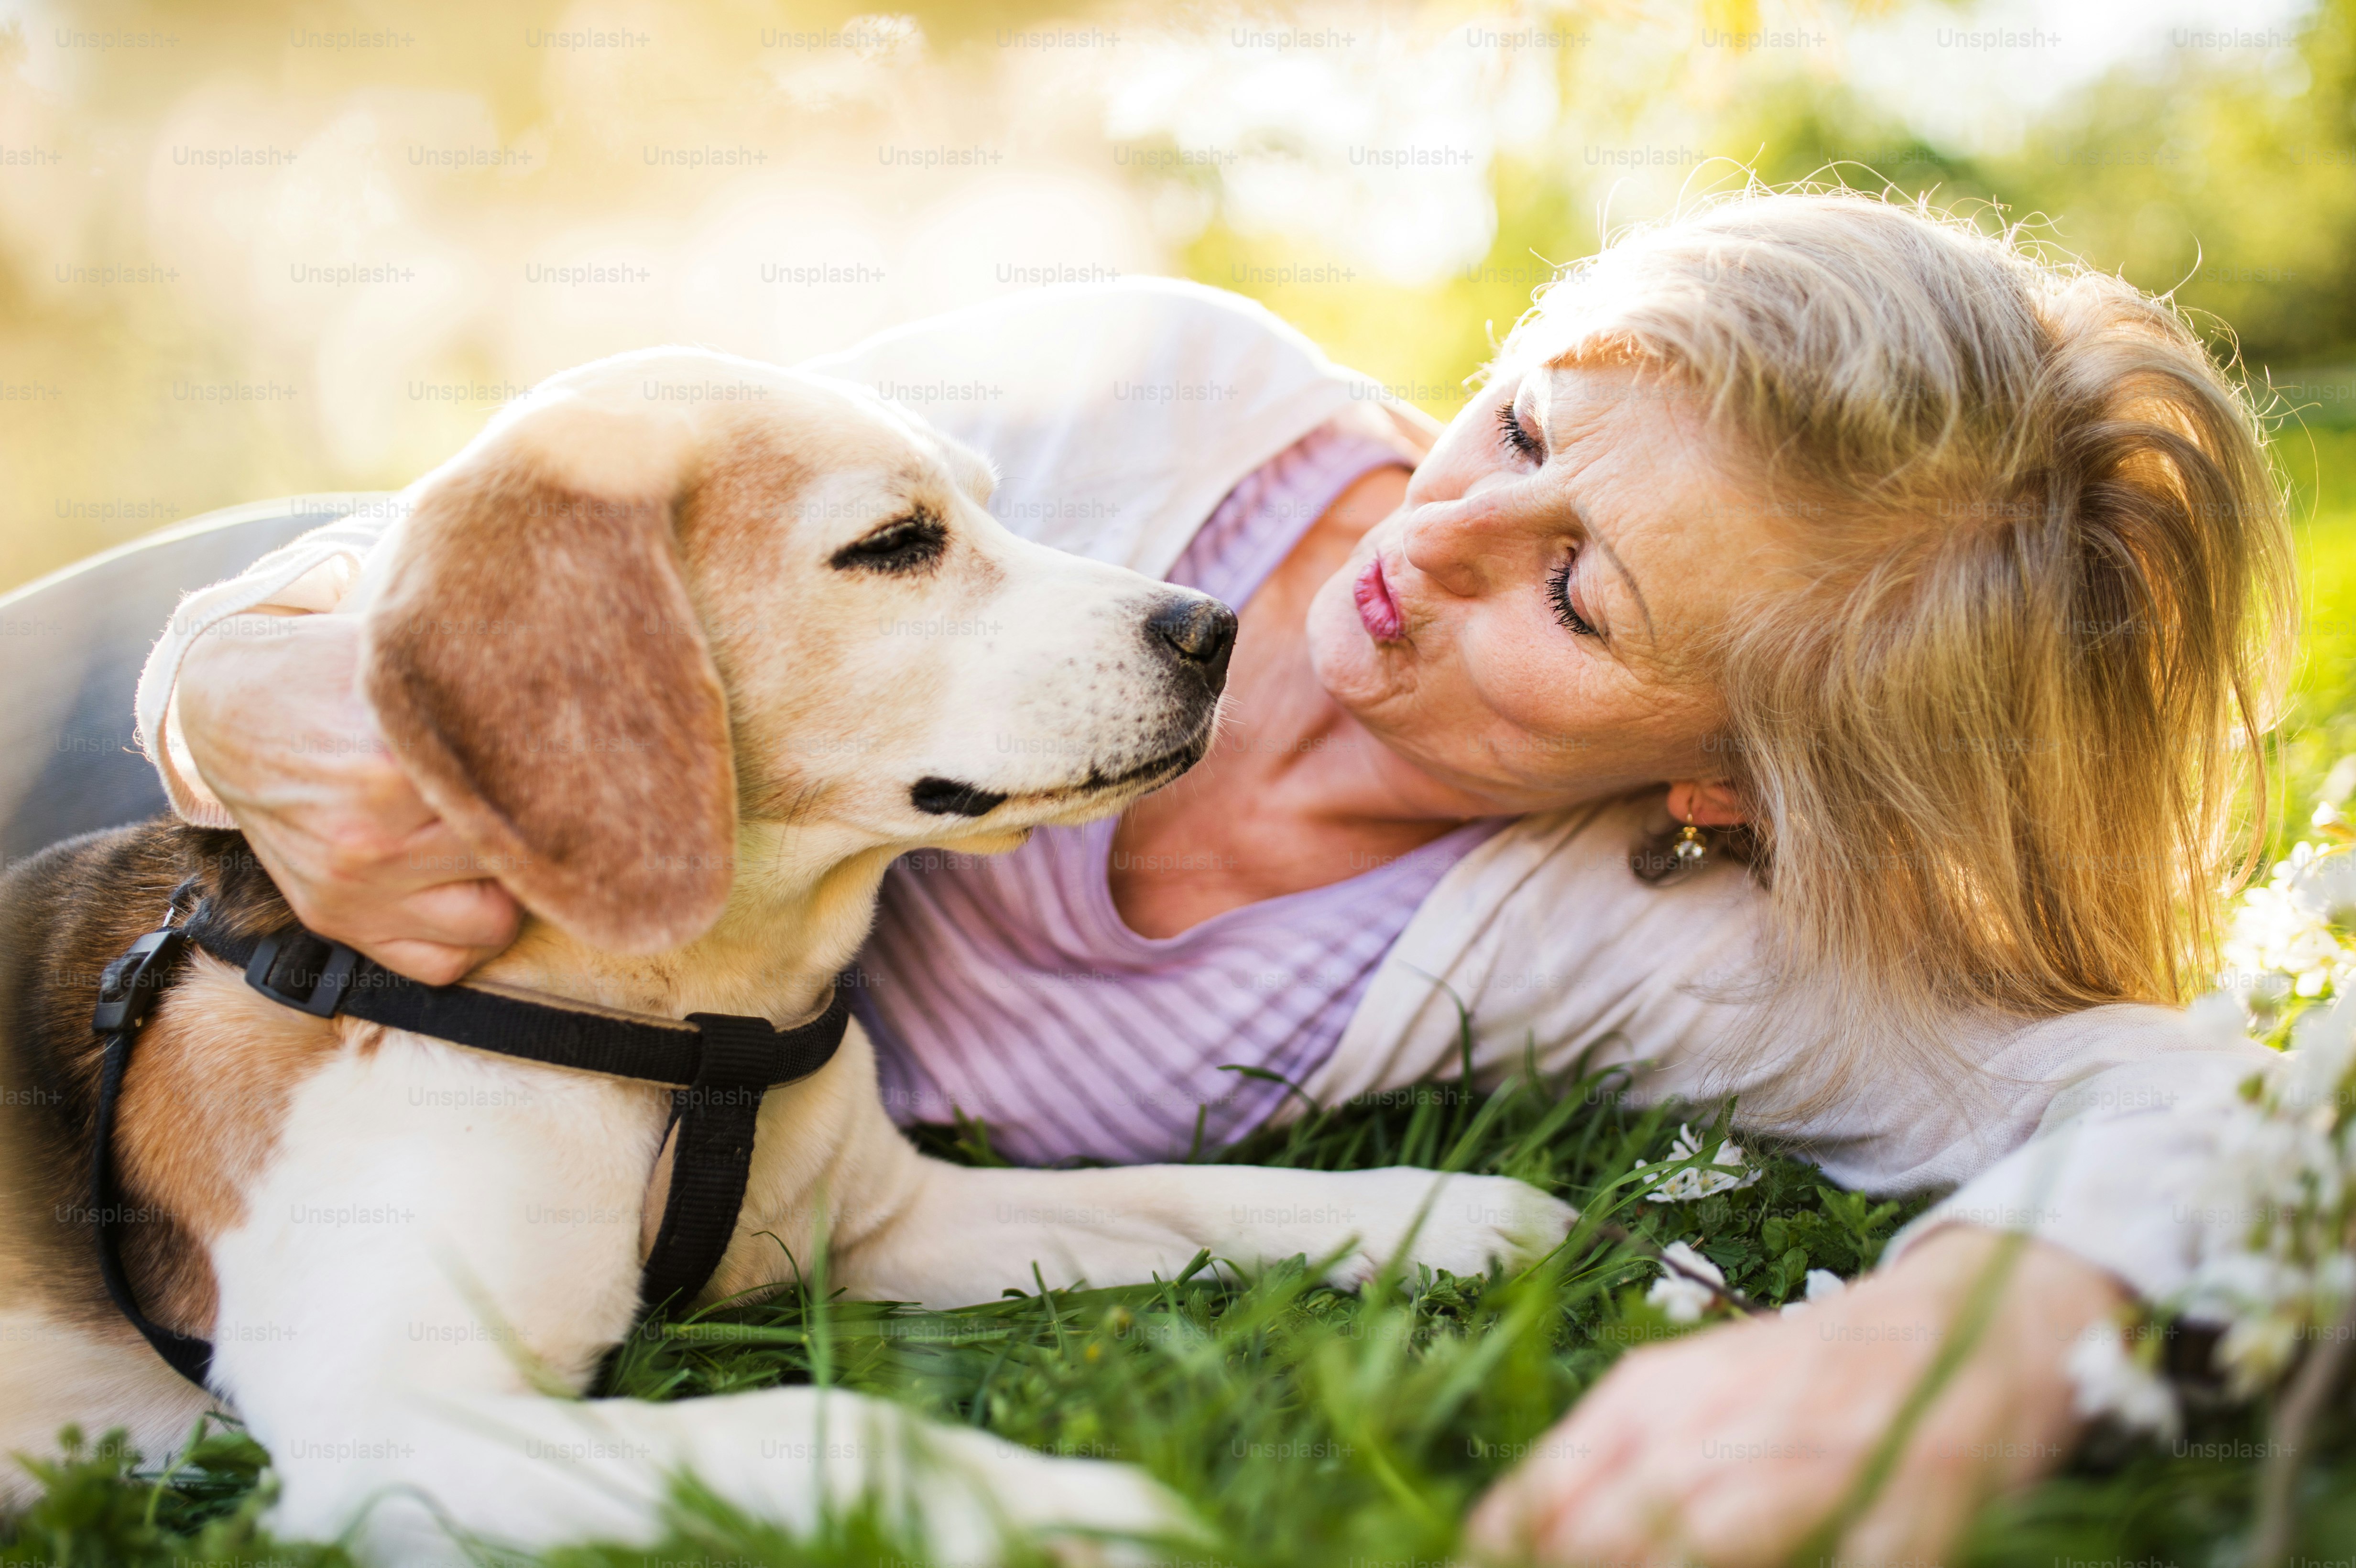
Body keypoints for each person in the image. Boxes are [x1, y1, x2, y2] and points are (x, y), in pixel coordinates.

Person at [137, 190, 2283, 1562]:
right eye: (1520, 429)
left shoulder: (1638, 937)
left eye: (1578, 599)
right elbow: (592, 505)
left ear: (1722, 781)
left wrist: (1989, 1324)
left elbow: (2249, 1093)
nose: (1415, 550)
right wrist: (229, 682)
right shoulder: (1140, 401)